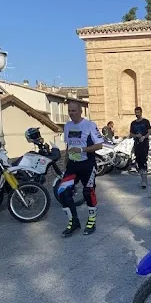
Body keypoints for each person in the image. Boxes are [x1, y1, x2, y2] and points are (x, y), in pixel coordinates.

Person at [57, 100, 104, 237]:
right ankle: (74, 222)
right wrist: (65, 161)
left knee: (88, 192)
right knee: (63, 193)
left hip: (87, 164)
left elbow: (99, 145)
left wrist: (82, 149)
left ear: (80, 111)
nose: (71, 114)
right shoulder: (67, 126)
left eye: (74, 111)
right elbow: (68, 145)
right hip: (72, 165)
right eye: (69, 111)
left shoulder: (89, 125)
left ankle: (91, 221)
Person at [129, 106, 151, 189]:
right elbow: (131, 134)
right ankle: (142, 178)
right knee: (138, 161)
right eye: (136, 112)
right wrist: (136, 135)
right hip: (137, 144)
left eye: (138, 112)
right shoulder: (133, 123)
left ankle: (144, 180)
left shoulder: (146, 121)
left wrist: (144, 137)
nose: (137, 114)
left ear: (141, 113)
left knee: (144, 160)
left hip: (144, 144)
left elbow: (149, 131)